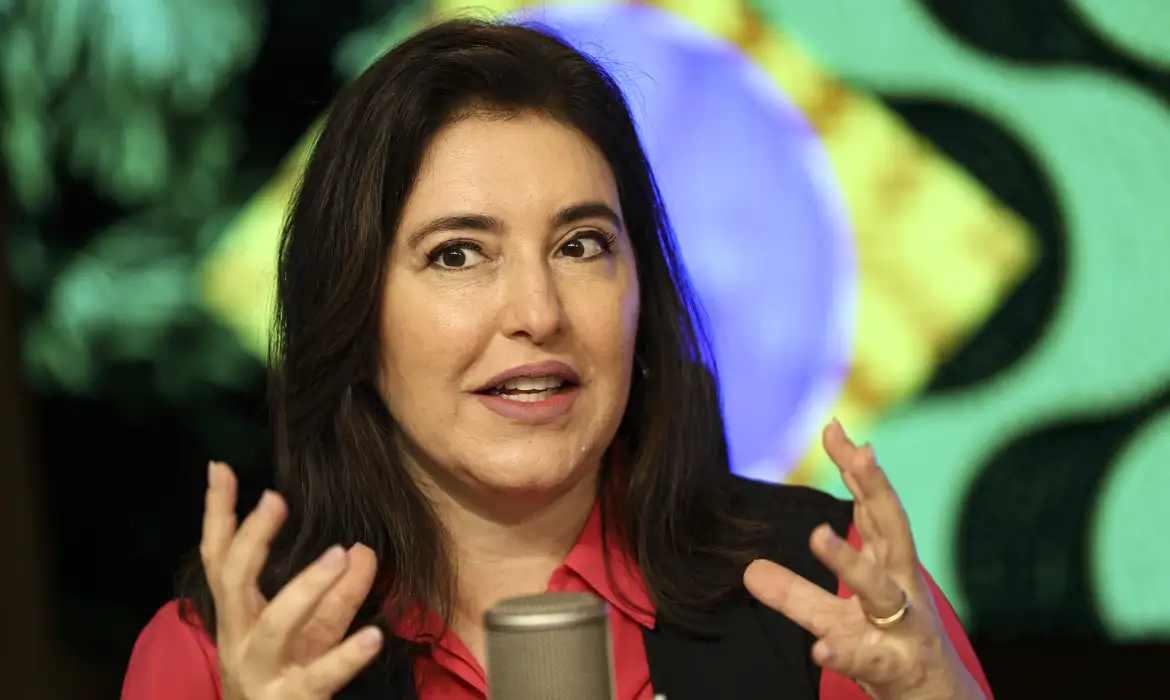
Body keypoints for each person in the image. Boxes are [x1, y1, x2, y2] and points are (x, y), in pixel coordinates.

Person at [121, 18, 993, 700]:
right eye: (458, 254)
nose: (539, 313)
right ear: (352, 312)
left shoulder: (836, 590)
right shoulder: (218, 653)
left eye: (581, 245)